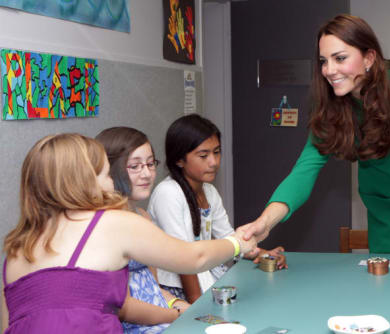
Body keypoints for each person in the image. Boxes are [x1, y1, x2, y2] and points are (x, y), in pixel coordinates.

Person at [241, 14, 390, 254]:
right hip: (388, 222)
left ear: (368, 57)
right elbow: (304, 171)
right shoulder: (332, 111)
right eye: (323, 61)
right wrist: (265, 221)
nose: (329, 70)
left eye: (340, 58)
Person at [1, 133, 256, 333]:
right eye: (105, 175)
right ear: (83, 182)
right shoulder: (110, 223)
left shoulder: (17, 248)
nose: (112, 183)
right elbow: (194, 257)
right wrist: (237, 243)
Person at [148, 114, 287, 303]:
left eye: (217, 152)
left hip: (206, 277)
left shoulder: (209, 191)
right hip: (177, 289)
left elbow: (229, 238)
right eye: (203, 155)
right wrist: (197, 308)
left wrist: (263, 254)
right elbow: (183, 260)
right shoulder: (168, 193)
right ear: (179, 160)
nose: (213, 162)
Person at [96, 127, 190, 333]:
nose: (147, 174)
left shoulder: (142, 216)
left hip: (159, 314)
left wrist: (176, 303)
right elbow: (121, 306)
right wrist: (175, 315)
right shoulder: (103, 225)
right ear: (108, 170)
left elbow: (151, 283)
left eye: (150, 163)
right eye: (135, 166)